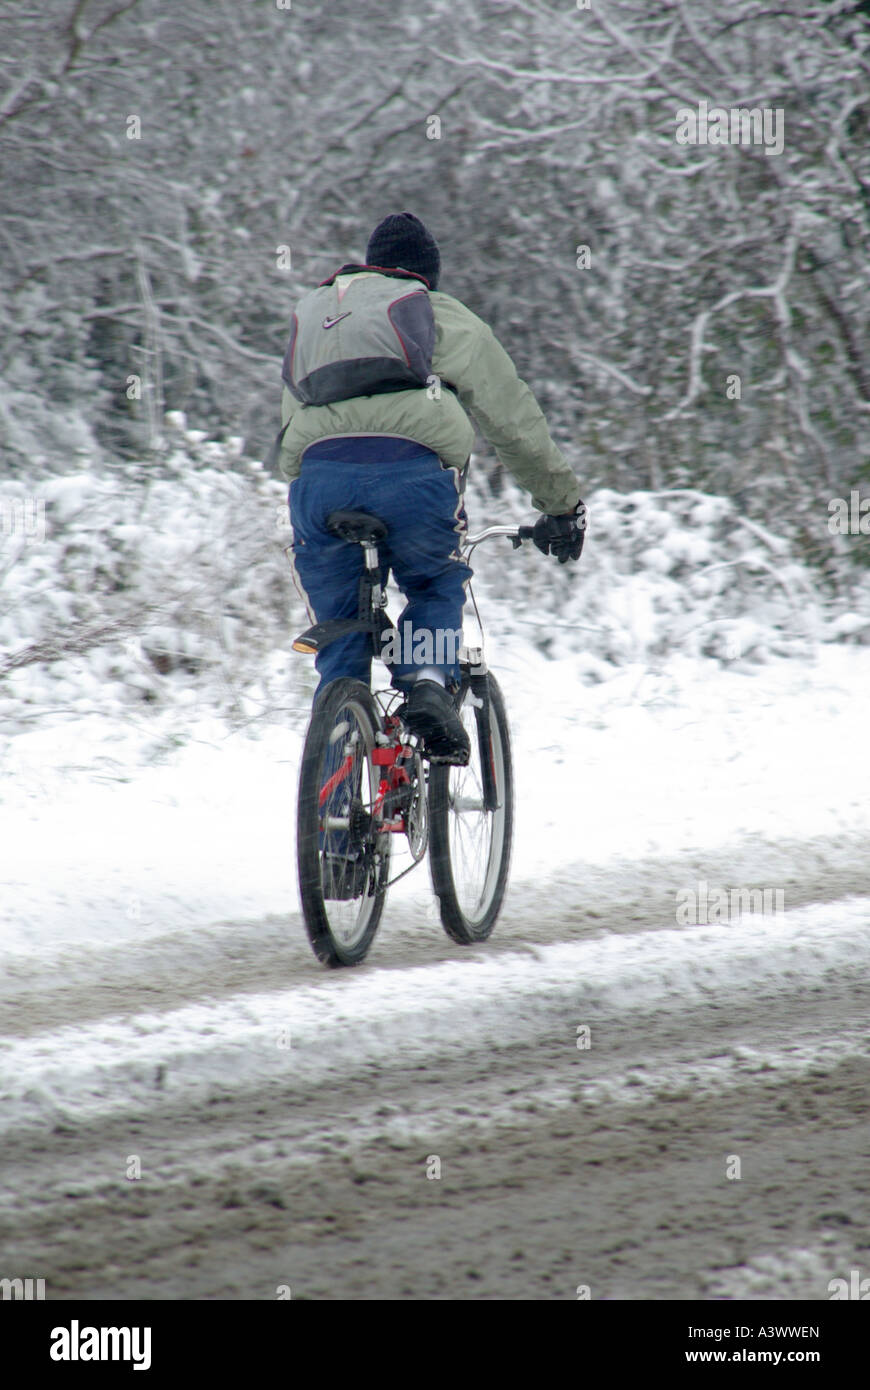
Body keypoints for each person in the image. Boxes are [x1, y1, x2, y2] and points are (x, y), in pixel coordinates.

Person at [277, 212, 585, 762]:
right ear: (425, 278)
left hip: (318, 488)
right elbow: (509, 416)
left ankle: (337, 794)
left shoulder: (324, 319)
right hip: (410, 478)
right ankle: (423, 678)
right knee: (433, 580)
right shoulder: (437, 314)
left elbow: (288, 428)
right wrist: (559, 503)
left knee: (340, 635)